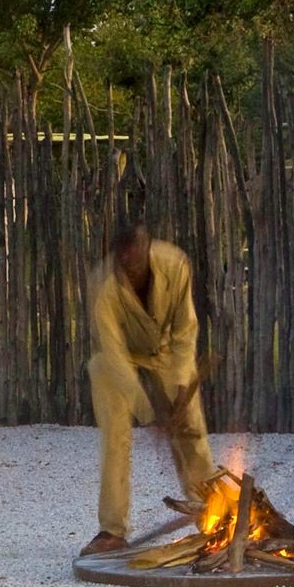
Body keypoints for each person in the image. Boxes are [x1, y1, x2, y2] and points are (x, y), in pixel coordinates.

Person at [82, 225, 217, 556]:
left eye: (139, 251)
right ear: (117, 256)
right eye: (125, 255)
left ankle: (212, 514)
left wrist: (182, 389)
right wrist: (150, 416)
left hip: (166, 350)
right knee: (116, 436)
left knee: (190, 427)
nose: (133, 260)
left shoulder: (175, 263)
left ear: (148, 246)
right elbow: (115, 356)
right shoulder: (104, 288)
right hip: (118, 358)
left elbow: (185, 330)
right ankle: (112, 530)